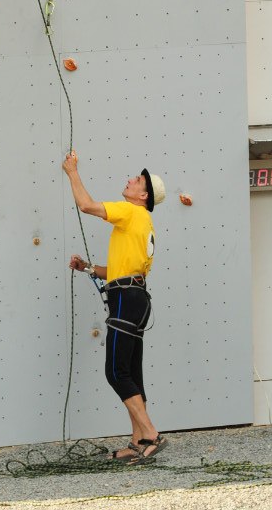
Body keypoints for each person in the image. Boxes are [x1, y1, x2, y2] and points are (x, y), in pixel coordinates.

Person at [62, 150, 168, 464]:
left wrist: (72, 171)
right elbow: (122, 270)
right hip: (136, 298)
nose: (130, 179)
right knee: (131, 372)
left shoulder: (130, 212)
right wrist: (87, 268)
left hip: (125, 300)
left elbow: (86, 205)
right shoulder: (144, 222)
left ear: (143, 195)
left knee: (116, 371)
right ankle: (138, 442)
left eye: (136, 180)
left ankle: (151, 433)